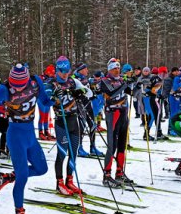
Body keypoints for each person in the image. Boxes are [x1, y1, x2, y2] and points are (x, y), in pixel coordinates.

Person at [0, 64, 52, 214]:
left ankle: (8, 177)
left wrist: (57, 98)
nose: (17, 88)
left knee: (42, 168)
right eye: (14, 85)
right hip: (15, 134)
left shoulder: (35, 82)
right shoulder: (5, 89)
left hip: (30, 134)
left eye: (20, 85)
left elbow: (45, 101)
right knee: (23, 176)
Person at [47, 56, 90, 195]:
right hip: (61, 121)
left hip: (74, 120)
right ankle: (59, 183)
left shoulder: (72, 81)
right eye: (62, 71)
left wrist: (80, 92)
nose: (65, 73)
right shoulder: (51, 83)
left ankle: (69, 181)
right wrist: (54, 97)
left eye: (67, 70)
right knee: (62, 153)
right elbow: (46, 101)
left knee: (74, 152)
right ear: (57, 70)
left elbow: (88, 93)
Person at [97, 58, 134, 187]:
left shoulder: (121, 80)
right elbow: (112, 93)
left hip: (123, 113)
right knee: (111, 146)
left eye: (118, 68)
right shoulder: (105, 81)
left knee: (122, 145)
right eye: (114, 68)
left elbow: (130, 92)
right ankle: (107, 175)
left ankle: (119, 173)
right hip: (112, 114)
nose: (117, 70)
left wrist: (134, 85)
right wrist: (125, 85)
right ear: (109, 69)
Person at [38, 65, 56, 141]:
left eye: (53, 73)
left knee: (46, 116)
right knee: (42, 115)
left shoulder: (53, 78)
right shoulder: (41, 78)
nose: (53, 74)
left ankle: (46, 131)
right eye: (52, 73)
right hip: (41, 99)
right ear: (48, 72)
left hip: (49, 99)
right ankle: (40, 132)